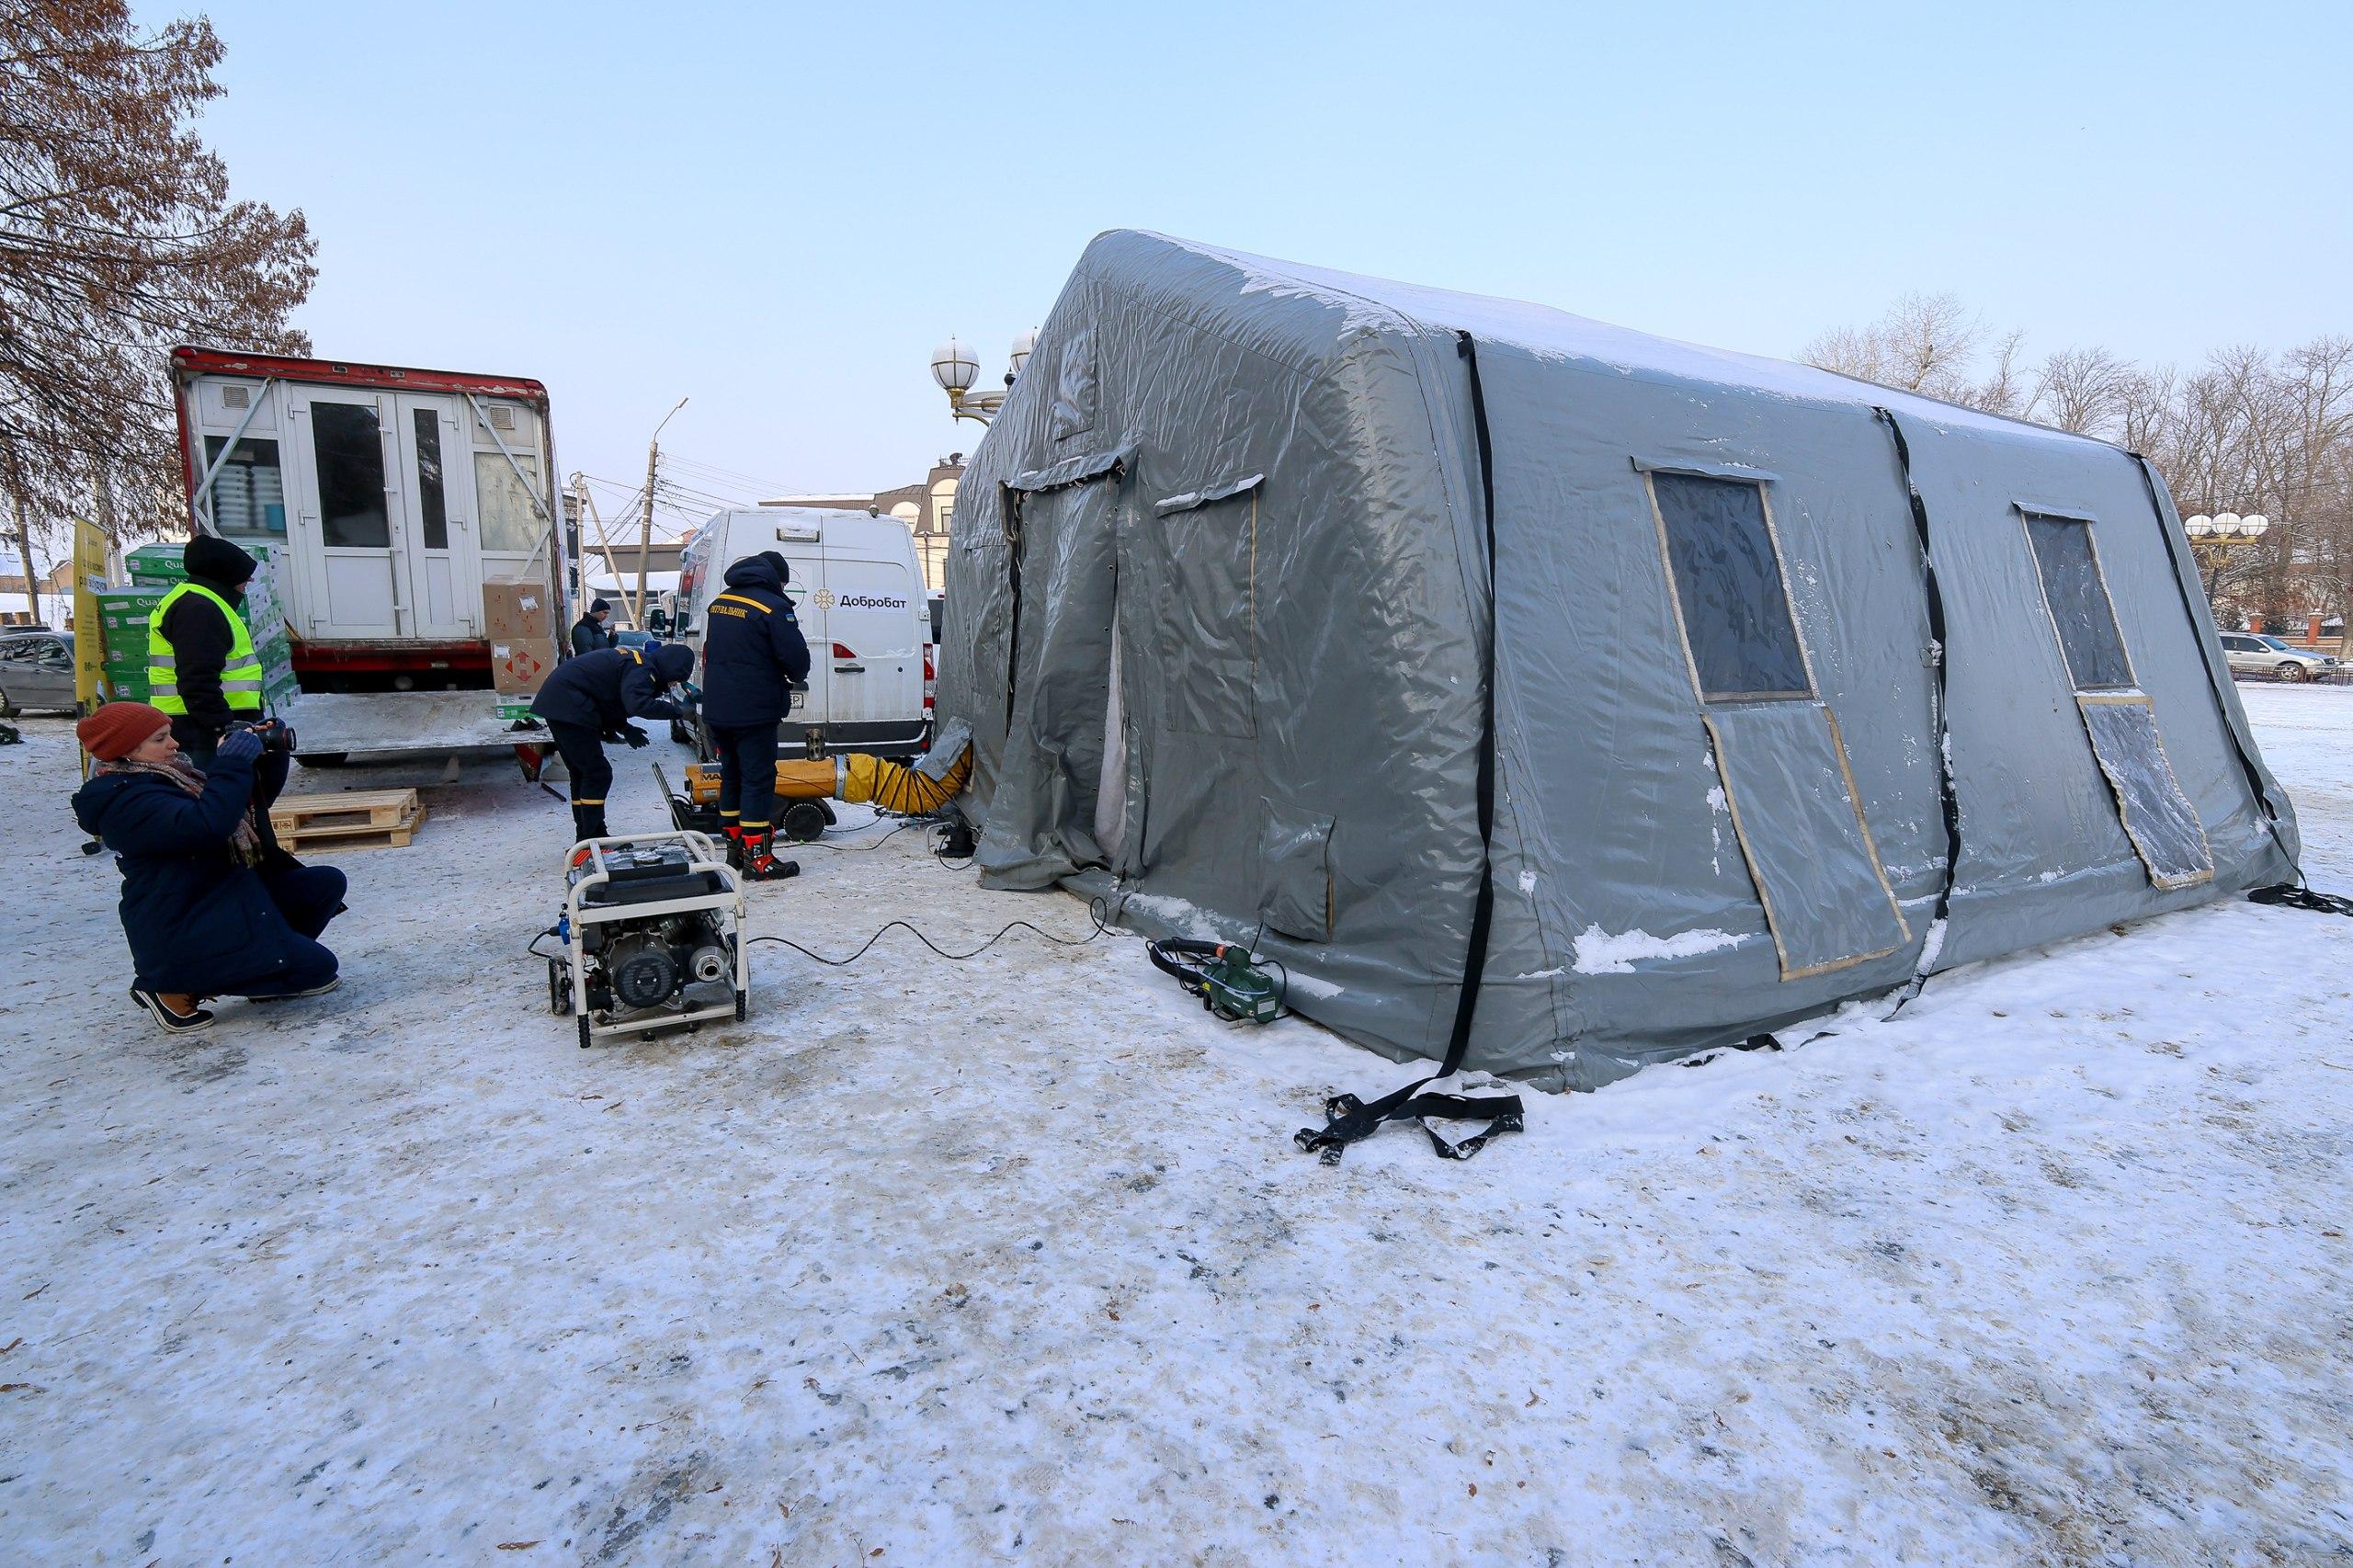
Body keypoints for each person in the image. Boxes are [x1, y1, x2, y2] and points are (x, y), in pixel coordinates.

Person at [71, 702, 346, 1035]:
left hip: (222, 897)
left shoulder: (173, 777)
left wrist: (267, 755)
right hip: (185, 921)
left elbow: (241, 806)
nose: (173, 744)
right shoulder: (125, 802)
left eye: (169, 735)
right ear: (127, 751)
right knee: (319, 970)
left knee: (322, 884)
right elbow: (208, 824)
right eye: (160, 739)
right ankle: (171, 987)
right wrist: (229, 764)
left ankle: (265, 963)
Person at [699, 551, 811, 880]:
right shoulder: (772, 606)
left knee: (732, 775)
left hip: (719, 708)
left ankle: (735, 848)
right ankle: (759, 858)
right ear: (776, 578)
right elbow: (796, 659)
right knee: (758, 780)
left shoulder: (721, 601)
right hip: (753, 709)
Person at [529, 642, 696, 842]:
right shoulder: (642, 668)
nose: (673, 685)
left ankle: (588, 836)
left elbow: (608, 698)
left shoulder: (637, 662)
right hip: (570, 705)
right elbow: (637, 703)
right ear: (671, 668)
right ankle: (592, 837)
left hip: (561, 702)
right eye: (675, 680)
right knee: (597, 773)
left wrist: (625, 728)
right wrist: (678, 712)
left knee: (583, 773)